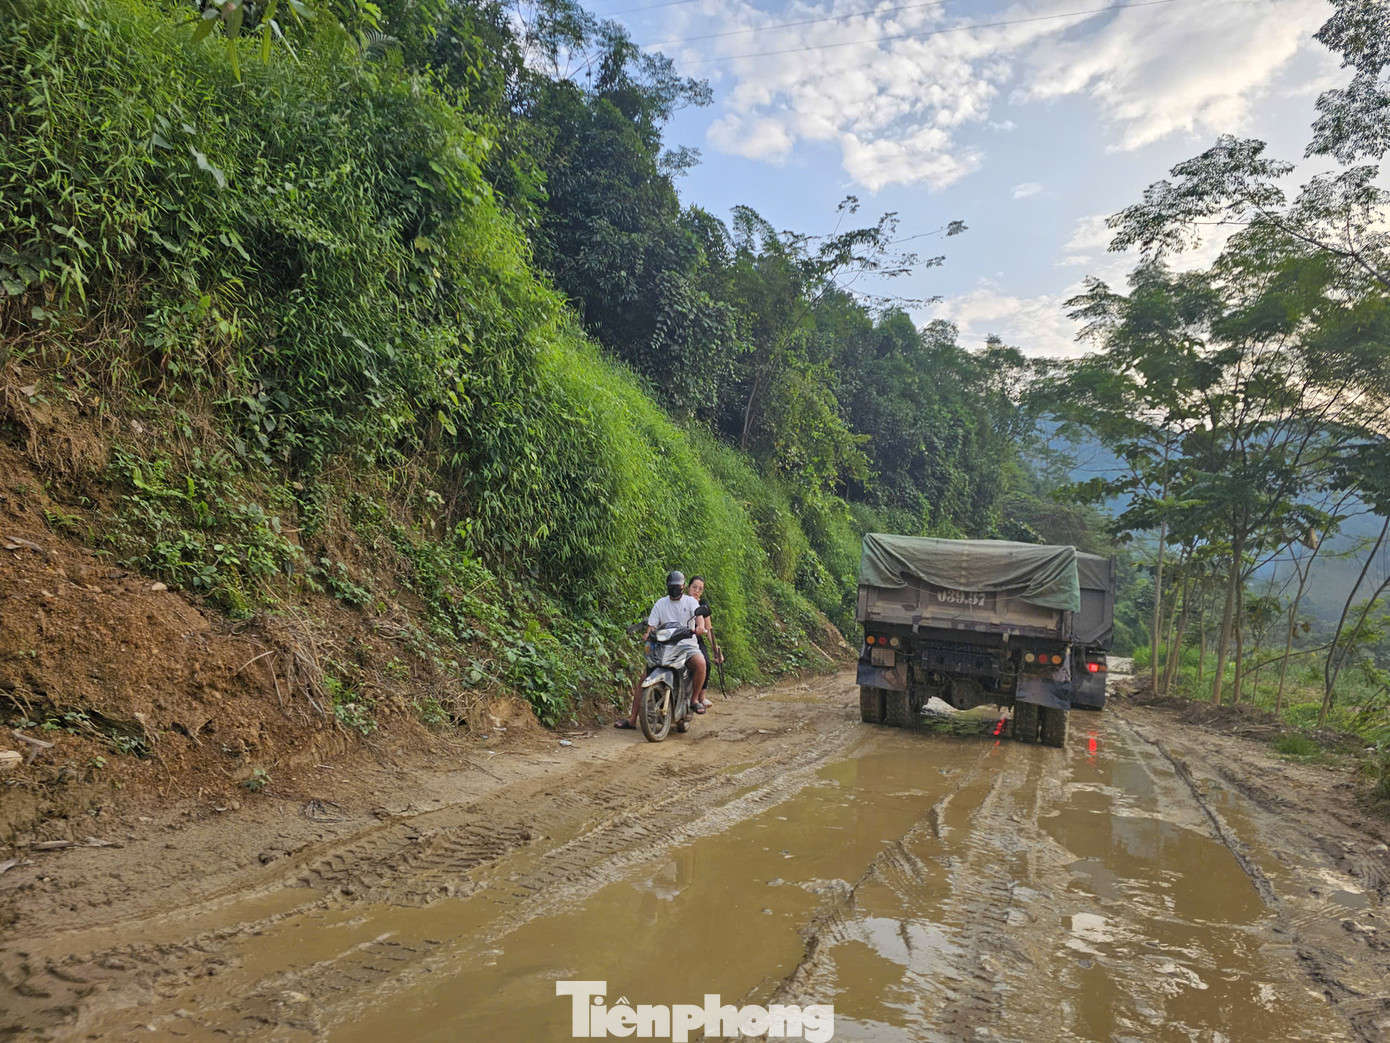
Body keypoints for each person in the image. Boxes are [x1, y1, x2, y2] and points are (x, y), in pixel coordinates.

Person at [615, 571, 708, 729]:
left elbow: (699, 618)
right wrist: (648, 633)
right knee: (644, 679)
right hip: (664, 646)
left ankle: (694, 700)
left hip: (686, 645)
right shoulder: (660, 603)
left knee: (700, 663)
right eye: (671, 587)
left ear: (683, 587)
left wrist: (700, 627)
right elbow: (652, 625)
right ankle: (632, 719)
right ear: (667, 587)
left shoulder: (690, 602)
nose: (674, 590)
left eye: (677, 587)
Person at [688, 576, 722, 710]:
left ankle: (701, 696)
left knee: (705, 662)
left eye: (700, 589)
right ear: (687, 587)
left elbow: (708, 628)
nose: (696, 591)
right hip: (678, 638)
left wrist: (715, 649)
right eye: (694, 587)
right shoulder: (680, 601)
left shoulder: (703, 605)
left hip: (696, 638)